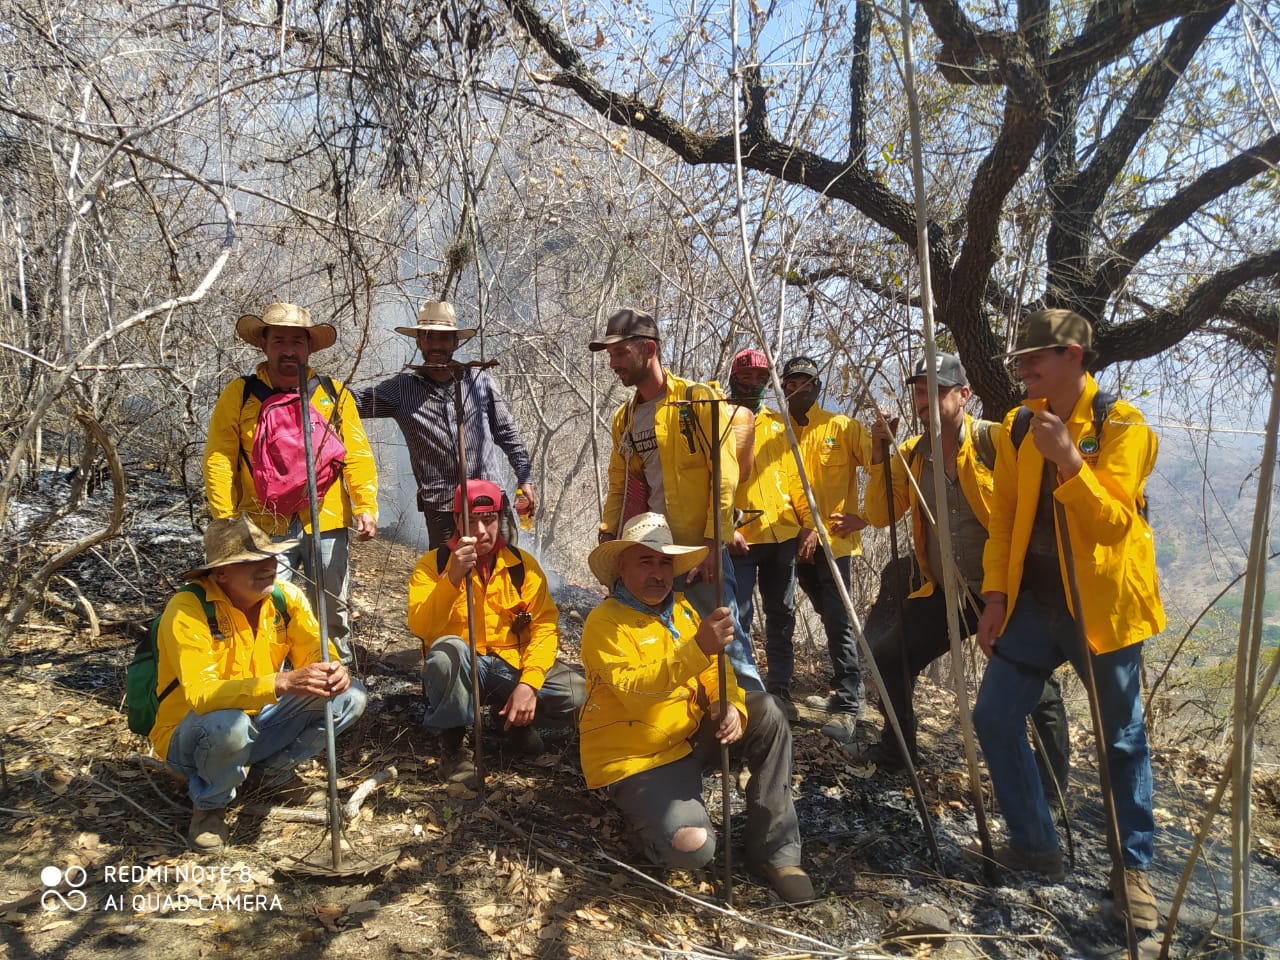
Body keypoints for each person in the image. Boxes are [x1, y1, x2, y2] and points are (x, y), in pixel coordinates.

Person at [973, 310, 1162, 931]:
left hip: (1102, 607)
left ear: (1074, 355)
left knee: (1122, 740)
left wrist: (1071, 464)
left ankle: (1131, 875)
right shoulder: (1017, 425)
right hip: (1033, 605)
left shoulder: (1122, 425)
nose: (1023, 369)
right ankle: (1035, 845)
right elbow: (1003, 518)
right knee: (995, 715)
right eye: (1020, 359)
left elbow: (1114, 525)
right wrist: (995, 597)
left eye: (1036, 358)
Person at [579, 512, 813, 902]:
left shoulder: (683, 611)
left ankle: (776, 851)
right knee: (695, 847)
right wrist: (698, 648)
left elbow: (716, 669)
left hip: (688, 736)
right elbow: (636, 691)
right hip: (637, 759)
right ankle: (652, 828)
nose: (658, 573)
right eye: (646, 561)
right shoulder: (604, 623)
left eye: (665, 563)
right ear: (621, 566)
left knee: (768, 711)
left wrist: (728, 702)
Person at [861, 353, 1069, 787]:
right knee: (888, 657)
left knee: (1036, 686)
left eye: (935, 390)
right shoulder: (914, 454)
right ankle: (898, 749)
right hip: (950, 593)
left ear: (964, 395)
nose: (925, 401)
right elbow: (880, 514)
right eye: (919, 392)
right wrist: (881, 454)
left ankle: (1051, 786)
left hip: (1008, 589)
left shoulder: (997, 441)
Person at [153, 515, 367, 851]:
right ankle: (209, 806)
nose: (268, 566)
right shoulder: (188, 609)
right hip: (192, 739)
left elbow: (316, 652)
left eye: (269, 556)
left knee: (349, 696)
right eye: (252, 561)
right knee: (229, 722)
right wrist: (281, 682)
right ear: (220, 573)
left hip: (258, 722)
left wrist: (333, 671)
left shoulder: (285, 599)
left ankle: (271, 772)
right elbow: (201, 695)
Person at [590, 307, 764, 692]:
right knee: (666, 644)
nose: (613, 364)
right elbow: (620, 484)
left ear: (648, 349)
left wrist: (712, 545)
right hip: (654, 554)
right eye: (610, 356)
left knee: (728, 647)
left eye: (620, 353)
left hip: (701, 553)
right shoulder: (625, 417)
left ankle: (758, 723)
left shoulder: (697, 400)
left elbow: (725, 474)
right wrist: (609, 536)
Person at [203, 302, 379, 660]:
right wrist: (225, 518)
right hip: (262, 525)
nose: (288, 350)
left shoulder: (333, 394)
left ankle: (336, 683)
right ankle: (273, 687)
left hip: (326, 522)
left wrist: (365, 505)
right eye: (279, 340)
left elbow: (357, 455)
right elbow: (219, 457)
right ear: (264, 344)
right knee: (267, 606)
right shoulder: (240, 395)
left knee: (332, 609)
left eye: (297, 342)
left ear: (309, 347)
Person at [408, 479, 585, 786]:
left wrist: (529, 684)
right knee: (447, 653)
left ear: (501, 518)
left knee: (576, 692)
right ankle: (454, 747)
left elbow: (544, 627)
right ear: (456, 520)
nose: (479, 532)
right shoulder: (432, 565)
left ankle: (513, 724)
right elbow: (421, 626)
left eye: (488, 520)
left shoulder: (522, 566)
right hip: (463, 672)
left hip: (509, 667)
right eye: (471, 521)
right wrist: (452, 578)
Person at [353, 301, 536, 549]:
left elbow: (506, 432)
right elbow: (351, 403)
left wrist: (524, 477)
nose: (436, 345)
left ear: (455, 342)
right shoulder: (402, 389)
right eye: (429, 337)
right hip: (442, 507)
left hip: (490, 502)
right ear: (419, 341)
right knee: (448, 578)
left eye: (444, 338)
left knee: (508, 573)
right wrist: (310, 386)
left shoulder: (478, 380)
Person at [780, 356, 872, 742]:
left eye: (805, 383)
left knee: (837, 615)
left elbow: (885, 468)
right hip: (790, 542)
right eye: (790, 384)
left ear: (818, 387)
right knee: (824, 613)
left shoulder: (843, 428)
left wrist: (866, 516)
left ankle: (849, 703)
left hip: (834, 543)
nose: (797, 390)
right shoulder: (777, 431)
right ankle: (844, 687)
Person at [725, 349, 804, 718]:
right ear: (734, 377)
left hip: (782, 533)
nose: (754, 384)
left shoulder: (778, 423)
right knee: (737, 616)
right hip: (741, 536)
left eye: (761, 378)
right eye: (747, 377)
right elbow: (710, 480)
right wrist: (725, 528)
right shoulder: (721, 419)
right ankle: (744, 692)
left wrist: (806, 525)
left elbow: (794, 479)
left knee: (781, 614)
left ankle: (780, 690)